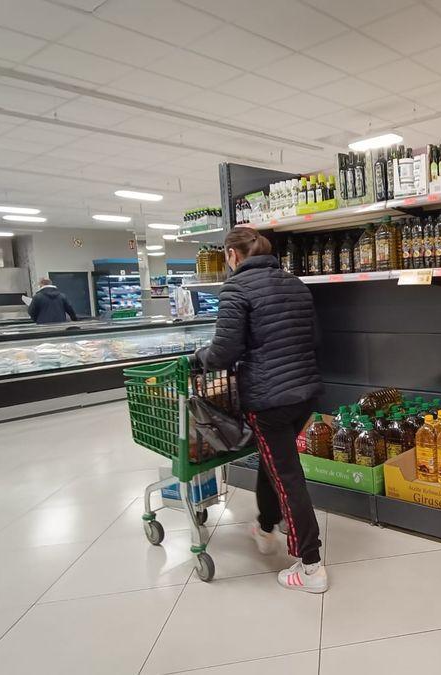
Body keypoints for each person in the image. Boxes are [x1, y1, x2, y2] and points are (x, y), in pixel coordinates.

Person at [193, 228, 326, 593]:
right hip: (305, 394)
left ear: (233, 255)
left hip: (269, 401)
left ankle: (311, 566)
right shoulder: (295, 284)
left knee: (286, 475)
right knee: (274, 465)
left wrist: (197, 358)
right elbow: (313, 339)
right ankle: (266, 527)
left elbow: (222, 353)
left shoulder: (236, 290)